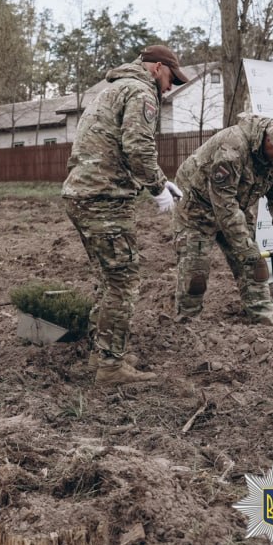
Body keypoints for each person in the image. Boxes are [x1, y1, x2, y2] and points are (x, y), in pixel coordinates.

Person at [62, 45, 188, 385]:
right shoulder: (140, 91)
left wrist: (163, 181)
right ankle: (111, 366)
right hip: (104, 197)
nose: (170, 87)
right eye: (171, 78)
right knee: (123, 279)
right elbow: (138, 147)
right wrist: (158, 188)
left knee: (109, 276)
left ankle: (102, 351)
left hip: (83, 194)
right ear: (157, 68)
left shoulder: (115, 89)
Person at [171, 114, 273, 327]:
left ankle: (265, 323)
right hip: (196, 209)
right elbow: (223, 204)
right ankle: (186, 330)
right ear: (269, 139)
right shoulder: (232, 150)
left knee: (255, 269)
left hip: (238, 207)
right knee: (195, 276)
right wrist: (244, 246)